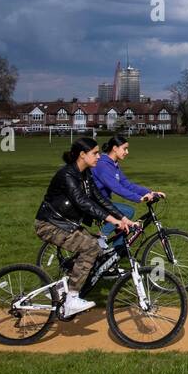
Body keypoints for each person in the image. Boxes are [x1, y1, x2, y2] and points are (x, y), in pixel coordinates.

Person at [35, 137, 135, 319]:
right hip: (49, 224)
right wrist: (113, 220)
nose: (99, 156)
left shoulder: (85, 174)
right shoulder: (67, 175)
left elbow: (100, 199)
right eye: (95, 153)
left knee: (96, 244)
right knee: (91, 248)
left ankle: (59, 289)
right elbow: (83, 202)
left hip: (64, 223)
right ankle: (72, 298)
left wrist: (124, 218)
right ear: (82, 155)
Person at [92, 136, 163, 247]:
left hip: (103, 202)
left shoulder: (113, 164)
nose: (127, 152)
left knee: (125, 229)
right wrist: (138, 198)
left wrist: (150, 192)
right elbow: (116, 187)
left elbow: (126, 184)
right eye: (124, 149)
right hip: (94, 203)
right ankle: (99, 238)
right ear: (115, 148)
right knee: (127, 211)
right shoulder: (103, 165)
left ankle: (117, 255)